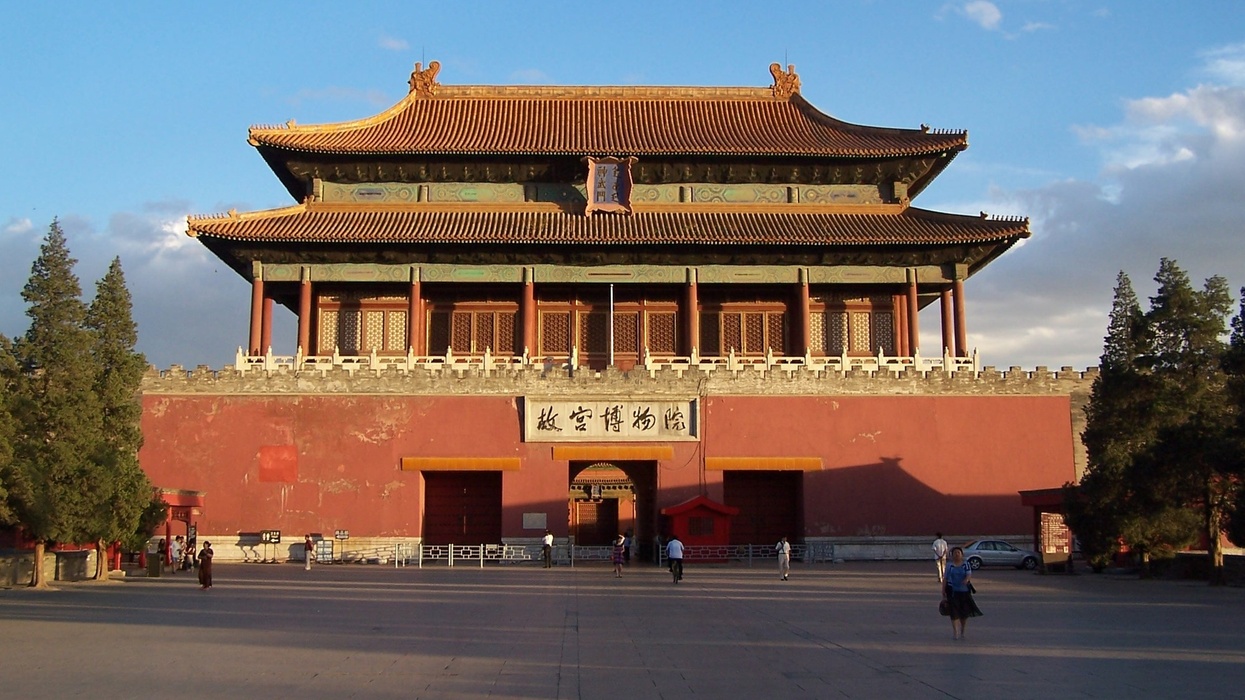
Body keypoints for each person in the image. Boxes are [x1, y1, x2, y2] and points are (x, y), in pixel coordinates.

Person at [943, 546, 982, 640]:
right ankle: (955, 632)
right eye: (955, 553)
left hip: (964, 592)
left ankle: (962, 630)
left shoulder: (966, 564)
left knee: (964, 614)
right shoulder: (949, 565)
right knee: (954, 612)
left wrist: (966, 579)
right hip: (952, 591)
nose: (956, 554)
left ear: (962, 555)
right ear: (952, 555)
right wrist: (943, 590)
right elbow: (945, 578)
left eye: (958, 553)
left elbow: (969, 574)